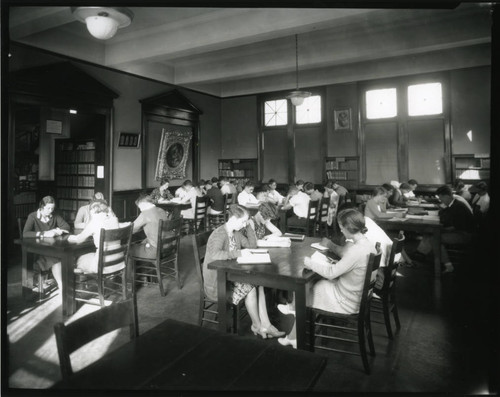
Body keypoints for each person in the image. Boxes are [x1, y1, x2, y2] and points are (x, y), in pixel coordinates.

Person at [277, 208, 377, 349]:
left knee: (304, 289)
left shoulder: (356, 250)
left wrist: (309, 262)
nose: (341, 231)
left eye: (342, 228)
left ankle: (295, 332)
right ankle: (293, 327)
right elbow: (349, 267)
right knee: (310, 284)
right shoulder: (367, 244)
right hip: (356, 296)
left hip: (346, 301)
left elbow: (331, 273)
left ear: (349, 228)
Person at [202, 205, 285, 338]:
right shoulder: (219, 233)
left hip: (229, 276)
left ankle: (265, 324)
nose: (244, 224)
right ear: (234, 218)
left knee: (259, 283)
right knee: (251, 287)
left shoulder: (235, 232)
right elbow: (215, 254)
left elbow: (252, 246)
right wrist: (239, 253)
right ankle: (258, 326)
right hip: (217, 282)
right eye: (242, 221)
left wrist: (248, 227)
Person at [415, 185, 475, 273]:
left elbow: (457, 227)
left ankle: (448, 266)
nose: (440, 200)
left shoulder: (458, 206)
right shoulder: (452, 204)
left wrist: (440, 230)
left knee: (435, 238)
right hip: (459, 231)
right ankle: (420, 255)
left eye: (441, 198)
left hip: (465, 234)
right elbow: (442, 214)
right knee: (430, 234)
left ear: (446, 196)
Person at [23, 196, 71, 288]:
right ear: (41, 207)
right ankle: (62, 286)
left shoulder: (55, 215)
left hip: (51, 247)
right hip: (38, 250)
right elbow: (25, 234)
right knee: (56, 259)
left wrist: (57, 231)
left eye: (52, 208)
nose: (51, 210)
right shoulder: (32, 216)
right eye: (48, 208)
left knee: (64, 256)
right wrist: (44, 234)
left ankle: (61, 283)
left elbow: (67, 227)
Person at [68, 200, 122, 274]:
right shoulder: (114, 220)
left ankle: (81, 275)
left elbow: (79, 240)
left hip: (102, 265)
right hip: (118, 262)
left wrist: (70, 237)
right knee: (90, 255)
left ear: (93, 210)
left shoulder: (94, 222)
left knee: (80, 259)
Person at [129, 193, 170, 260]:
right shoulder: (161, 210)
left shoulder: (145, 213)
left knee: (128, 249)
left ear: (143, 204)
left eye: (140, 207)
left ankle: (135, 270)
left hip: (156, 251)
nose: (140, 210)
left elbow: (131, 229)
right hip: (168, 247)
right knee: (143, 242)